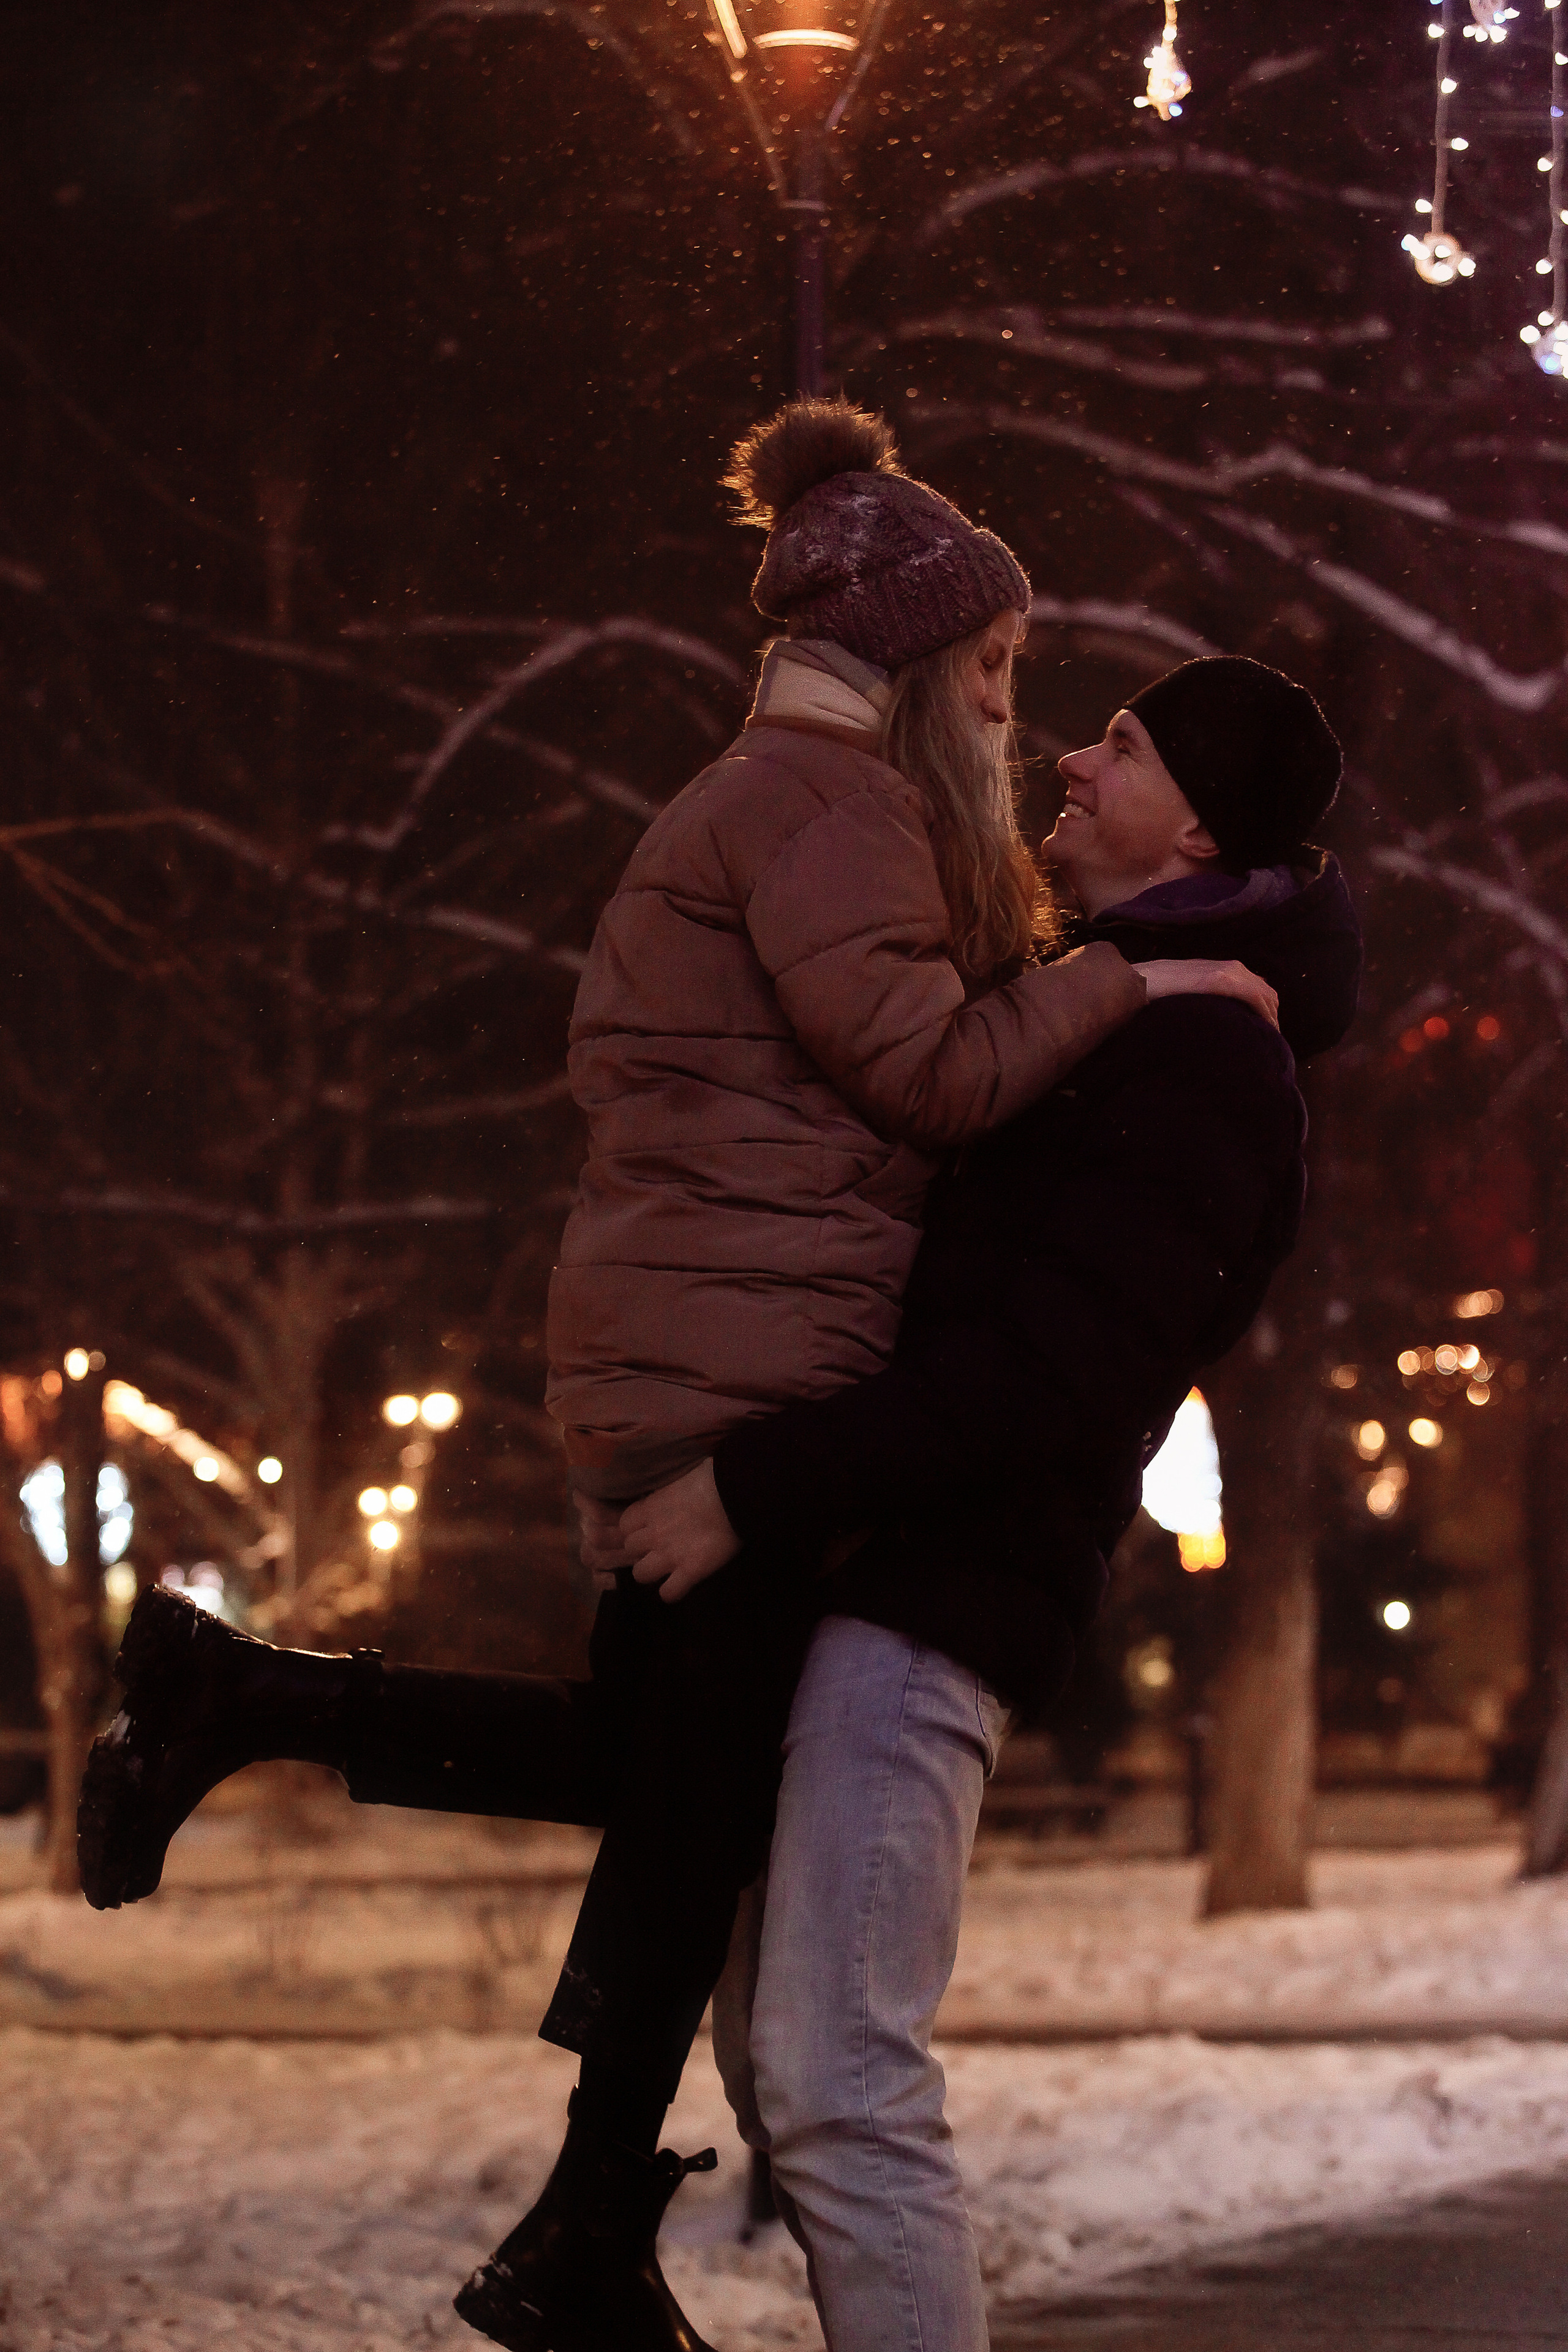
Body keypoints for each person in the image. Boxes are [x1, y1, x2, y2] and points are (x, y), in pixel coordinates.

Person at [75, 402, 1276, 2352]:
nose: (1018, 717)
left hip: (694, 1345)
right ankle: (570, 2214)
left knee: (661, 1771)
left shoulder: (773, 798)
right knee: (679, 1785)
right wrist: (1133, 978)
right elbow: (933, 1074)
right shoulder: (833, 810)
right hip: (752, 1368)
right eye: (990, 667)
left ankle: (281, 1750)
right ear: (907, 662)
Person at [603, 655, 1362, 2351]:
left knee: (840, 2079)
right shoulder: (1096, 1010)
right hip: (861, 1567)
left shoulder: (1208, 1067)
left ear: (1202, 827)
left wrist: (753, 1487)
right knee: (781, 2067)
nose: (1076, 761)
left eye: (1126, 748)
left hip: (933, 1602)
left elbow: (1049, 1374)